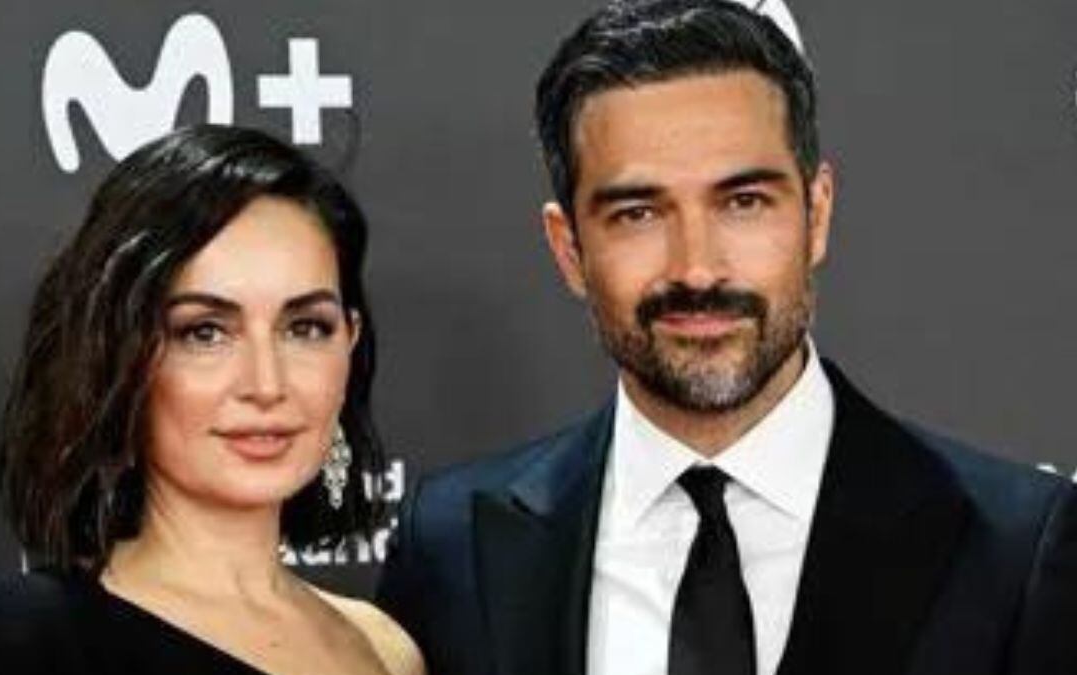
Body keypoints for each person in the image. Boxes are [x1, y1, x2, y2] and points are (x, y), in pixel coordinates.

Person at [375, 2, 1077, 674]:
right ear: (568, 249)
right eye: (638, 213)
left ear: (817, 214)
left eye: (743, 202)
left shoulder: (1013, 551)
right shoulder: (452, 548)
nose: (697, 268)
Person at [0, 125, 424, 675]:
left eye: (305, 327)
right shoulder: (41, 637)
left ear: (350, 343)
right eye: (205, 332)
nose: (267, 384)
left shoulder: (386, 648)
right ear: (119, 358)